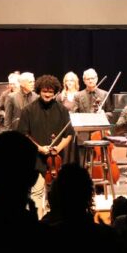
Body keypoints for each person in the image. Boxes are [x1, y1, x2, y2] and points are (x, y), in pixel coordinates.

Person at [16, 74, 75, 218]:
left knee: (57, 195)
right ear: (39, 91)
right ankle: (38, 223)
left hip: (56, 161)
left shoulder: (62, 110)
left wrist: (58, 148)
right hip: (36, 159)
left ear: (55, 92)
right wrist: (39, 148)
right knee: (36, 193)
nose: (47, 94)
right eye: (44, 91)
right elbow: (23, 134)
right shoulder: (28, 110)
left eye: (50, 92)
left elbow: (69, 134)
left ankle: (56, 223)